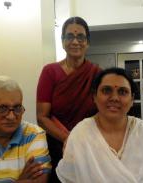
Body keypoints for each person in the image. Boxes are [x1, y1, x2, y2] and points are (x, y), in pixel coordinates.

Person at [56, 68, 143, 183]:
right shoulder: (80, 134)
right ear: (94, 97)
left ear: (132, 99)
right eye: (106, 90)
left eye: (122, 92)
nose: (114, 98)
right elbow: (71, 178)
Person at [36, 16, 100, 182]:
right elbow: (42, 117)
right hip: (57, 144)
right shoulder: (50, 72)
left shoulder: (97, 74)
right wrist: (68, 139)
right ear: (63, 41)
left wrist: (80, 139)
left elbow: (101, 113)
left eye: (80, 37)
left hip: (89, 144)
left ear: (88, 42)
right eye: (70, 36)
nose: (75, 41)